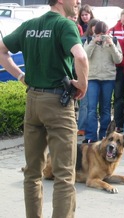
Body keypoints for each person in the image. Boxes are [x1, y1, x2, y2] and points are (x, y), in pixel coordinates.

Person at [0, 0, 89, 216]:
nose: (78, 1)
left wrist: (21, 76)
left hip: (33, 102)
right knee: (64, 175)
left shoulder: (29, 25)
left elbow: (2, 50)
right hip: (59, 104)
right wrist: (83, 85)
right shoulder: (64, 25)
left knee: (32, 173)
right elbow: (80, 56)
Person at [83, 21, 123, 143]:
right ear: (94, 33)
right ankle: (91, 136)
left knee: (105, 108)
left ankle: (104, 136)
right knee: (91, 108)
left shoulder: (114, 41)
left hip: (108, 78)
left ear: (107, 32)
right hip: (93, 78)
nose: (101, 37)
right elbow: (84, 55)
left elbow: (118, 59)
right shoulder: (90, 40)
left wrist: (111, 45)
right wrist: (93, 43)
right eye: (98, 34)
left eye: (103, 34)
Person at [77, 18, 99, 136]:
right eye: (94, 27)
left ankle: (92, 129)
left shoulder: (103, 39)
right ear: (90, 27)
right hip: (85, 74)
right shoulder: (83, 40)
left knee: (93, 105)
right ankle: (82, 127)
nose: (96, 29)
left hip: (97, 75)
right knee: (84, 103)